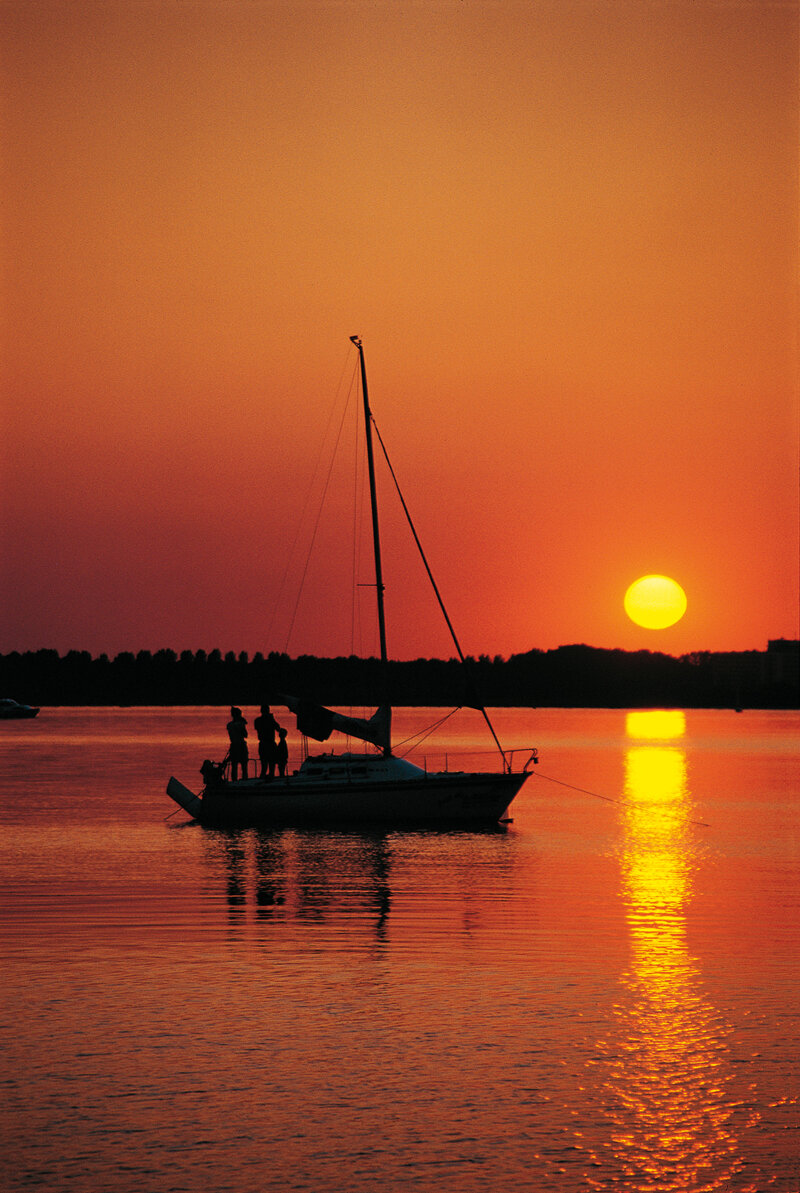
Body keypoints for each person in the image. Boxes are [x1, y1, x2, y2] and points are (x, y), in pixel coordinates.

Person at [253, 703, 280, 780]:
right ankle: (270, 778)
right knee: (271, 764)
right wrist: (271, 719)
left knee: (264, 764)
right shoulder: (268, 720)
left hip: (263, 744)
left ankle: (263, 778)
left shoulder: (257, 720)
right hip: (269, 743)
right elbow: (278, 728)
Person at [226, 706, 248, 781]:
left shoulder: (229, 725)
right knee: (244, 765)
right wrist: (243, 723)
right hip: (241, 745)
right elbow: (245, 735)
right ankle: (245, 780)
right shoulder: (240, 724)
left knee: (234, 766)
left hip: (233, 746)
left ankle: (234, 781)